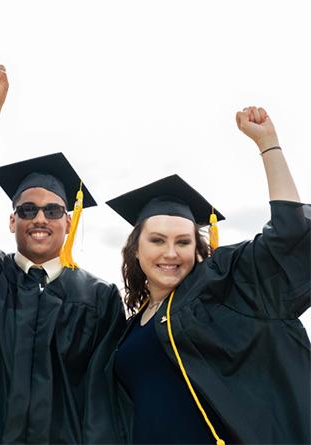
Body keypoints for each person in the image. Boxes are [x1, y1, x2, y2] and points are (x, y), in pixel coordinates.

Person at [0, 64, 126, 443]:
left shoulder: (99, 299)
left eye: (53, 211)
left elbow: (105, 400)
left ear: (68, 223)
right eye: (27, 210)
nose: (40, 218)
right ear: (11, 221)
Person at [105, 106, 310, 444]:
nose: (171, 253)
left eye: (183, 242)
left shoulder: (218, 292)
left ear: (198, 250)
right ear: (136, 250)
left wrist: (268, 146)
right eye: (157, 240)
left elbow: (288, 237)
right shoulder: (134, 323)